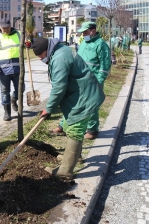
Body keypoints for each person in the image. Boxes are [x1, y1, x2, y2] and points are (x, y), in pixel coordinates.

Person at [31, 37, 105, 179]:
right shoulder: (61, 50)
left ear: (46, 50)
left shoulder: (59, 58)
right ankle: (75, 157)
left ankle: (65, 172)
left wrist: (49, 108)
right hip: (80, 94)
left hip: (84, 97)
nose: (40, 59)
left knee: (75, 130)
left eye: (40, 56)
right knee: (67, 123)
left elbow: (59, 87)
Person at [53, 22, 111, 140]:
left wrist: (99, 82)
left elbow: (105, 66)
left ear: (93, 31)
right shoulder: (84, 43)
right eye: (83, 32)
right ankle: (64, 125)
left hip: (93, 81)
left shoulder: (101, 45)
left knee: (91, 106)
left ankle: (92, 129)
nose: (83, 35)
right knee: (72, 103)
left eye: (85, 32)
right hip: (79, 79)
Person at [0, 18, 21, 121]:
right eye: (3, 28)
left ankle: (14, 99)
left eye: (7, 28)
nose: (5, 30)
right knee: (4, 91)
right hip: (3, 70)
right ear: (0, 27)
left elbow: (28, 43)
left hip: (18, 68)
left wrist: (28, 44)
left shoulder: (19, 34)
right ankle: (7, 113)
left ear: (11, 26)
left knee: (21, 88)